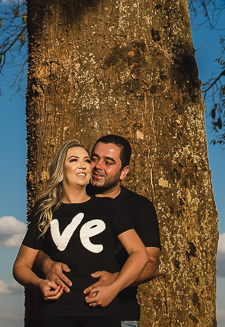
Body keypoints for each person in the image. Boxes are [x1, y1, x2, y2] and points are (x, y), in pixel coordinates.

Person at [13, 140, 148, 327]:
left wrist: (114, 289)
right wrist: (39, 284)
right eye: (74, 160)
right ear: (61, 169)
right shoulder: (45, 211)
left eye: (86, 160)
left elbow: (140, 254)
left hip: (102, 313)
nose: (83, 164)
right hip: (56, 313)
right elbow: (20, 266)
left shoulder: (110, 208)